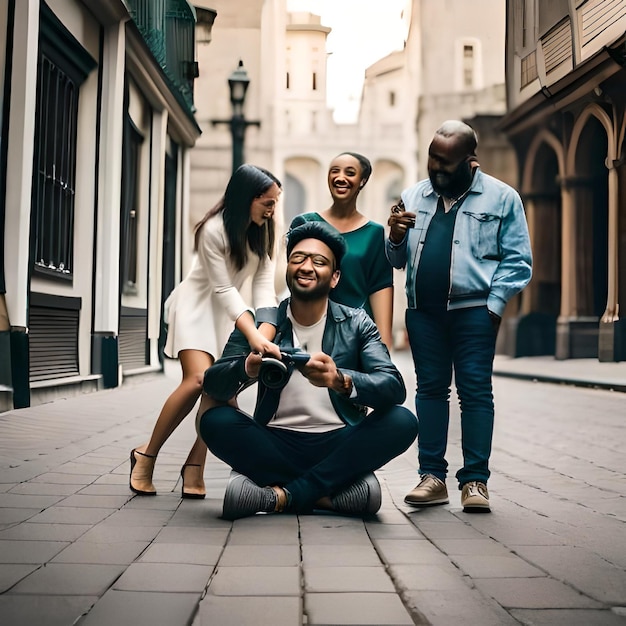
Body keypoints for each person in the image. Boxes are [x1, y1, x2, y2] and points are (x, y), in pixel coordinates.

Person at [196, 221, 417, 520]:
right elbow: (213, 383)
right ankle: (332, 494)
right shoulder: (264, 323)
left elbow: (393, 386)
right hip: (275, 441)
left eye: (319, 261)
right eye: (298, 258)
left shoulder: (357, 323)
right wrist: (246, 368)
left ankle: (279, 495)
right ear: (288, 267)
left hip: (339, 441)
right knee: (214, 421)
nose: (306, 267)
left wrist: (340, 380)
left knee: (402, 421)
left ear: (335, 276)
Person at [386, 120, 532, 513]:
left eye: (445, 166)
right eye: (432, 161)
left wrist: (494, 305)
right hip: (423, 313)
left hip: (474, 312)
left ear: (470, 163)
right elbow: (396, 261)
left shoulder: (503, 199)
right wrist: (395, 237)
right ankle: (432, 478)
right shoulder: (414, 194)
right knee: (430, 391)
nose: (436, 172)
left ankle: (475, 482)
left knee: (475, 393)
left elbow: (518, 261)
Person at [130, 164, 283, 498]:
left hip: (230, 318)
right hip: (196, 308)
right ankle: (146, 455)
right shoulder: (213, 229)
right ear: (247, 198)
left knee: (222, 392)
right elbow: (224, 290)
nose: (272, 211)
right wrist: (253, 335)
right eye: (267, 203)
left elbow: (262, 284)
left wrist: (266, 328)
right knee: (198, 381)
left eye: (275, 203)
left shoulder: (264, 230)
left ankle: (194, 466)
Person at [288, 152, 394, 349]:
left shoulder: (374, 233)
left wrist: (384, 347)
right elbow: (293, 279)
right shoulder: (305, 223)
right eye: (334, 171)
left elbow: (380, 287)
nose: (340, 177)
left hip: (357, 335)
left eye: (350, 172)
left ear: (362, 181)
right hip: (309, 329)